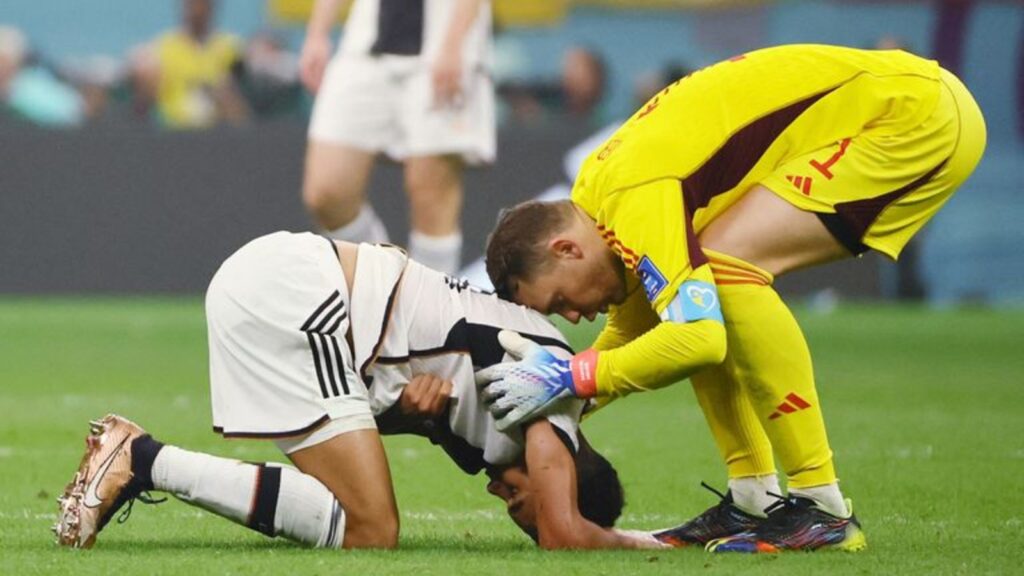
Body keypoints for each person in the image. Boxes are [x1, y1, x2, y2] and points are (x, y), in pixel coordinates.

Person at [478, 44, 986, 553]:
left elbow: (698, 340)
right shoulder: (600, 199)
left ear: (565, 249)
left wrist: (572, 377)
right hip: (899, 105)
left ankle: (822, 506)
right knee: (699, 281)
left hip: (914, 117)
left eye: (561, 299)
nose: (575, 315)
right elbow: (636, 328)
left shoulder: (635, 194)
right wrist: (561, 399)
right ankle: (753, 499)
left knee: (724, 269)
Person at [53, 232, 662, 550]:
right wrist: (659, 544)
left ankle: (142, 460)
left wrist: (408, 415)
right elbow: (566, 536)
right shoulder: (553, 387)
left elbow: (380, 407)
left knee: (354, 519)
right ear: (567, 476)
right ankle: (139, 459)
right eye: (523, 499)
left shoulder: (486, 446)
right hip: (301, 294)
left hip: (294, 287)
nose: (502, 493)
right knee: (373, 530)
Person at [300, 0, 495, 276]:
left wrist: (454, 43)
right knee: (327, 191)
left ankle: (430, 313)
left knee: (431, 193)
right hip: (366, 39)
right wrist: (317, 33)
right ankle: (385, 279)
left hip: (443, 38)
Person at [129, 0, 249, 129]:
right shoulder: (163, 47)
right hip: (172, 131)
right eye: (192, 4)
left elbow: (243, 111)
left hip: (218, 132)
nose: (197, 11)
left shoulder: (231, 48)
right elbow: (145, 100)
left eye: (202, 5)